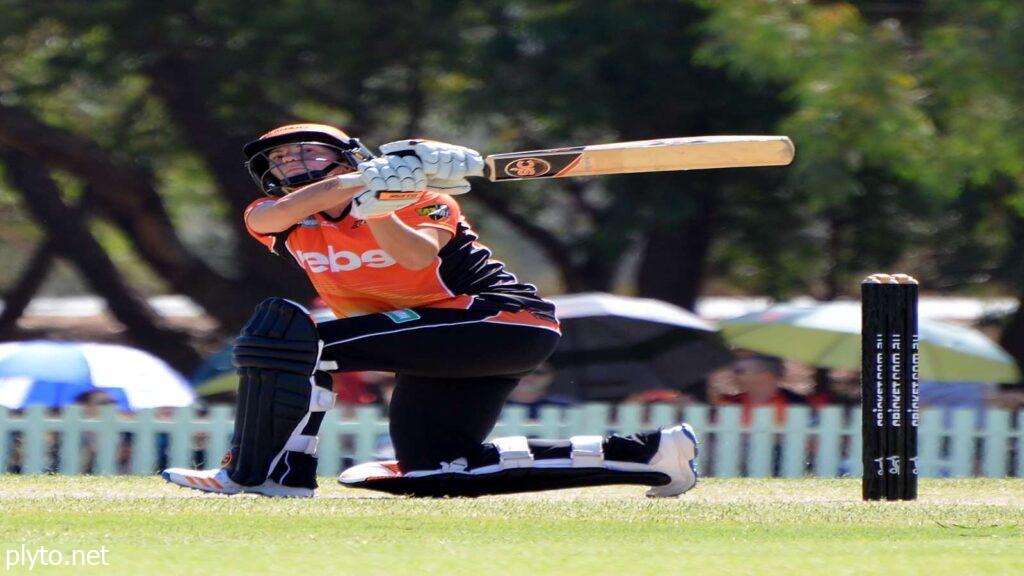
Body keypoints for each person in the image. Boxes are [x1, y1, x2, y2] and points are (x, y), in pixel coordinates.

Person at [162, 123, 698, 498]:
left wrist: (381, 204)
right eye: (280, 160)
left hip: (499, 322)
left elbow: (417, 253)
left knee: (287, 338)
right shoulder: (275, 216)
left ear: (345, 154)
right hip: (440, 341)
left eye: (307, 153)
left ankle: (263, 474)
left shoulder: (425, 199)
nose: (291, 163)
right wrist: (368, 178)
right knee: (436, 468)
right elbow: (279, 212)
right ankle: (650, 455)